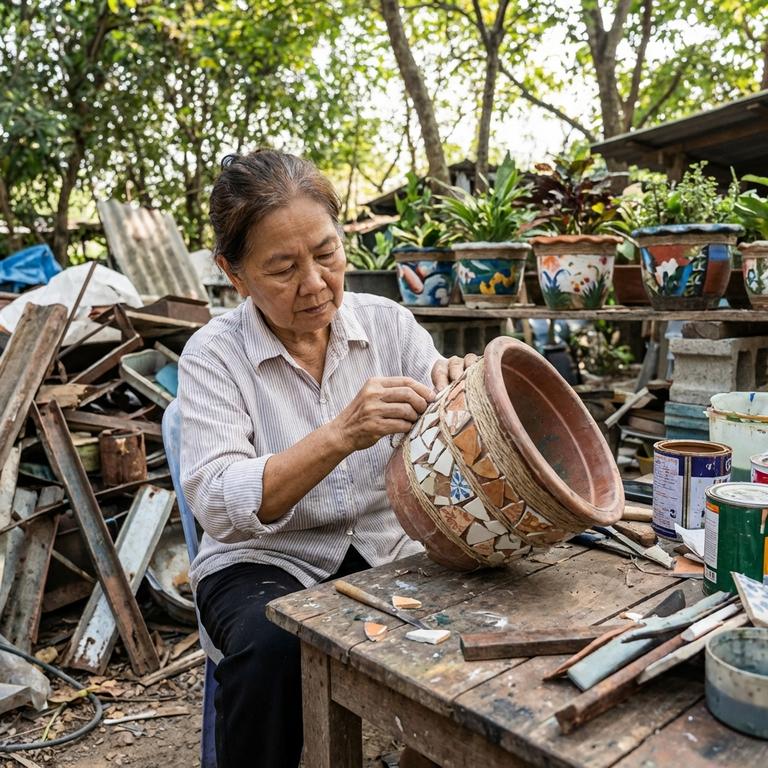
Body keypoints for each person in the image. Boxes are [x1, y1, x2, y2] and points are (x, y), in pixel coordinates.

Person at [177, 149, 475, 768]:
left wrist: (463, 392)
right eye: (282, 268)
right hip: (264, 559)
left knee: (485, 627)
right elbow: (217, 498)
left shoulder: (387, 324)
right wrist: (340, 432)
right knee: (271, 645)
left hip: (386, 548)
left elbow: (452, 434)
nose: (314, 284)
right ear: (234, 274)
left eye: (327, 253)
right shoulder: (214, 354)